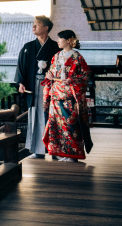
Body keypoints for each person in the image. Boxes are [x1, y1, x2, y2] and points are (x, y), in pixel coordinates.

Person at [42, 29, 92, 162]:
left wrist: (73, 79)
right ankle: (61, 153)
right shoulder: (56, 56)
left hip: (71, 97)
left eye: (60, 39)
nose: (58, 41)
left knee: (71, 125)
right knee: (56, 126)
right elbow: (51, 71)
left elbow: (86, 75)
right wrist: (49, 75)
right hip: (56, 95)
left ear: (69, 40)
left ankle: (73, 155)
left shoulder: (77, 57)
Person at [14, 15, 59, 158]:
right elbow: (21, 66)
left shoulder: (55, 47)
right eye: (34, 24)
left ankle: (55, 150)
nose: (33, 26)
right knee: (36, 117)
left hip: (51, 87)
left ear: (46, 28)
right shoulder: (28, 47)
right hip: (34, 87)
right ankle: (38, 151)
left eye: (37, 24)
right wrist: (21, 82)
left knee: (53, 116)